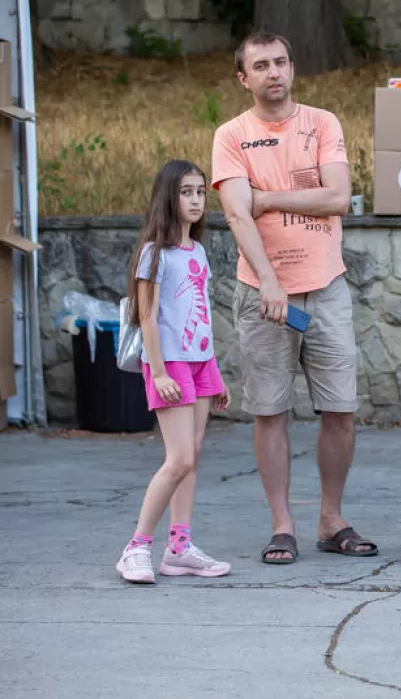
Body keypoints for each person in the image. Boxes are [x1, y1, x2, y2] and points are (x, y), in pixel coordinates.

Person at [212, 31, 377, 565]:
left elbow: (337, 198)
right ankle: (283, 525)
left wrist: (268, 197)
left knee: (341, 410)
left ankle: (332, 519)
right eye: (261, 65)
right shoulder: (231, 135)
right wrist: (270, 281)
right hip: (264, 292)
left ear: (292, 67)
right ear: (244, 78)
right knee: (270, 411)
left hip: (326, 287)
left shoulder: (322, 123)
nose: (274, 72)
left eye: (281, 61)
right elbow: (237, 214)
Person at [115, 160, 232, 584]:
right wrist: (160, 371)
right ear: (169, 196)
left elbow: (200, 316)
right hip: (170, 363)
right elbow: (147, 317)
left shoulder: (197, 251)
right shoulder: (154, 252)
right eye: (186, 192)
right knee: (179, 457)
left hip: (201, 362)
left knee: (193, 456)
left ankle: (179, 547)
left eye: (201, 191)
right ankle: (137, 548)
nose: (196, 200)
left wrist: (214, 373)